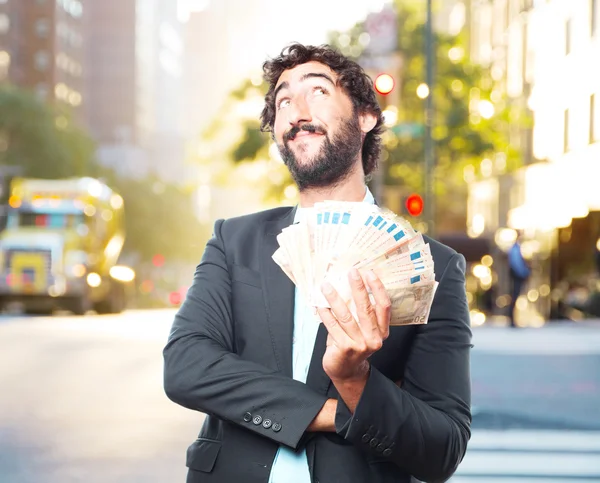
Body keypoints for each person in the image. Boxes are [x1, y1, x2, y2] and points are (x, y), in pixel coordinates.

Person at [163, 43, 472, 483]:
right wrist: (338, 414)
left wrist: (354, 380)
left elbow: (442, 448)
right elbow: (185, 367)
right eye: (283, 100)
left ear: (367, 117)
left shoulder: (434, 266)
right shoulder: (235, 241)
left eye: (318, 92)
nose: (296, 110)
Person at [507, 232, 531, 327]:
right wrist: (524, 273)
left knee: (514, 297)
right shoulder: (515, 249)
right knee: (514, 296)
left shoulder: (516, 248)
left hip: (517, 275)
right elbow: (516, 264)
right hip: (517, 276)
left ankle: (512, 319)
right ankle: (511, 319)